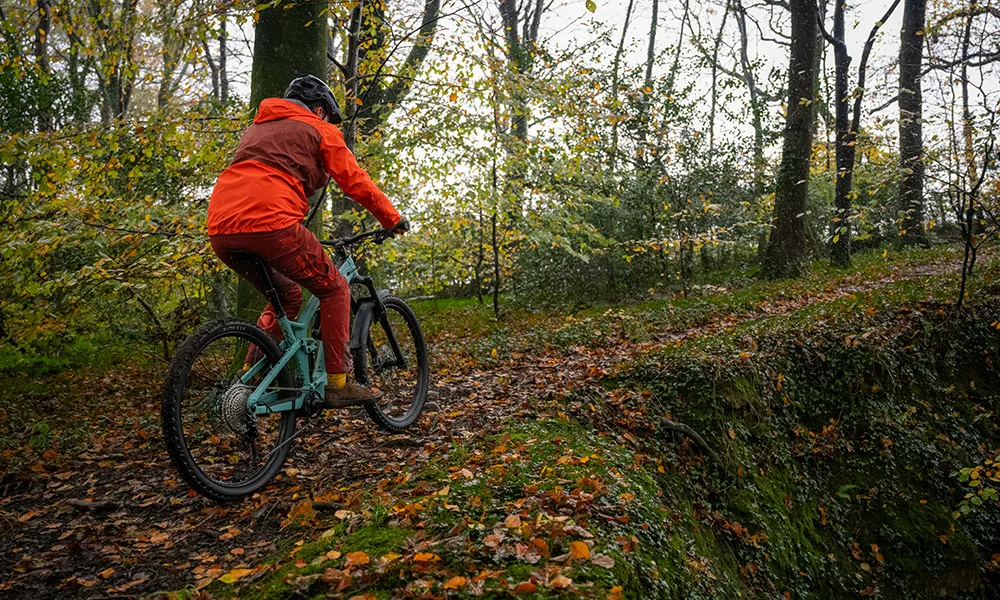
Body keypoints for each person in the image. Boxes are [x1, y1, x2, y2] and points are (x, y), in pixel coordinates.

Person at [207, 74, 407, 407]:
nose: (330, 122)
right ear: (319, 109)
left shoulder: (256, 131)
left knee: (286, 295)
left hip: (221, 228)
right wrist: (392, 218)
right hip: (272, 223)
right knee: (335, 287)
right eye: (329, 115)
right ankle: (338, 383)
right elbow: (355, 181)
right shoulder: (320, 128)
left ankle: (250, 377)